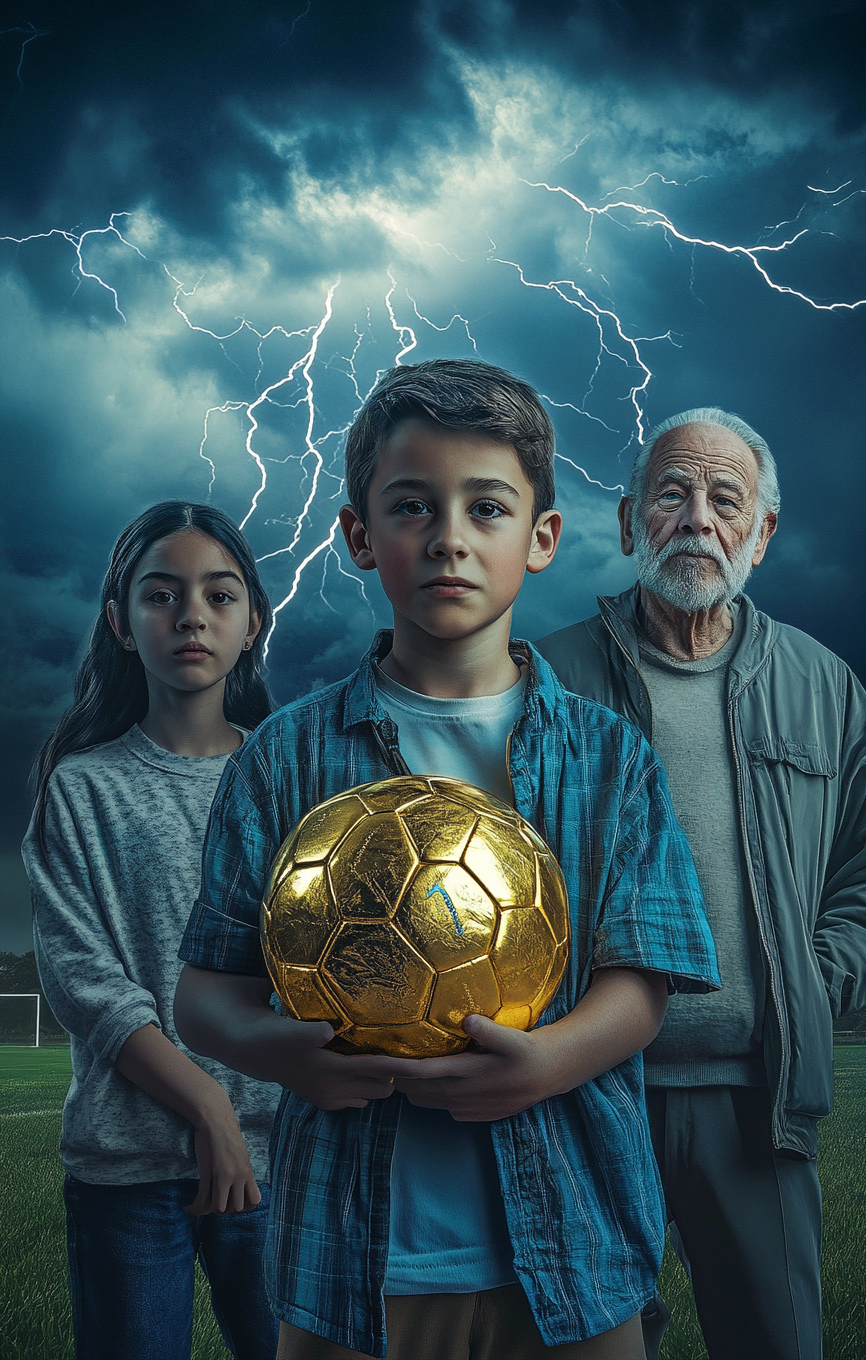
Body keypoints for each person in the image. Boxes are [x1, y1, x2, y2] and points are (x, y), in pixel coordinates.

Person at [174, 359, 721, 1360]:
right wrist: (275, 1049)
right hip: (347, 1266)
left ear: (541, 538)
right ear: (356, 534)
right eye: (411, 506)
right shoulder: (283, 755)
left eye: (486, 508)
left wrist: (547, 1061)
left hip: (573, 1254)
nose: (447, 539)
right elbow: (203, 994)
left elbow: (641, 980)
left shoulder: (609, 757)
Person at [536, 408, 866, 1360]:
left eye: (725, 499)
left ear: (762, 534)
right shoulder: (547, 681)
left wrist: (816, 981)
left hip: (759, 1104)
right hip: (588, 1099)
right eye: (671, 493)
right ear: (627, 523)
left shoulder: (824, 686)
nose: (697, 516)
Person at [22, 501, 282, 1360]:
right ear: (122, 624)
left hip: (279, 1158)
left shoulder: (289, 784)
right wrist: (206, 1104)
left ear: (253, 623)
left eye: (219, 594)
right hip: (128, 1167)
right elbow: (82, 980)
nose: (191, 616)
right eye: (161, 595)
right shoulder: (81, 789)